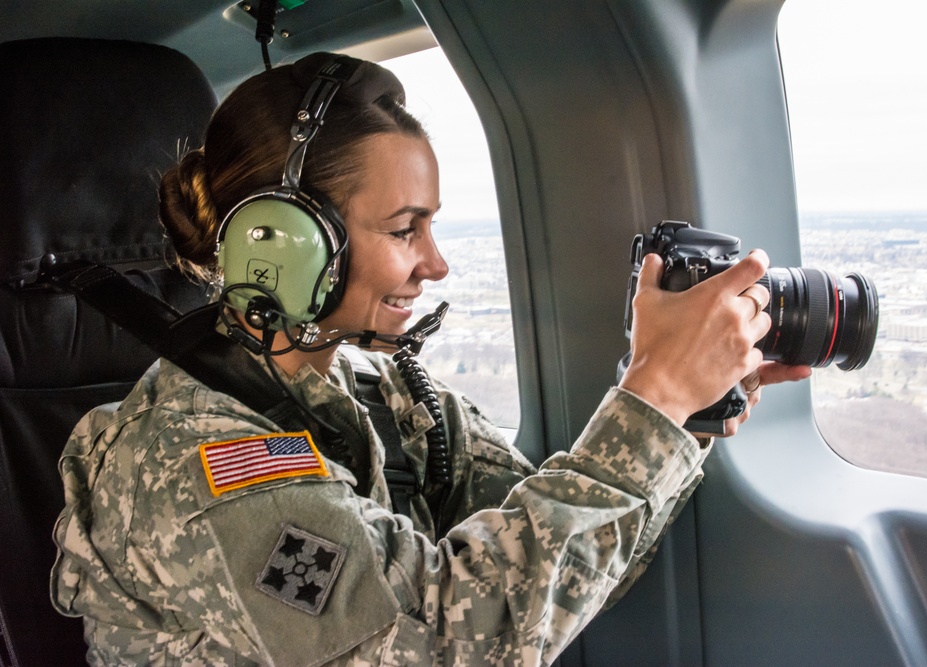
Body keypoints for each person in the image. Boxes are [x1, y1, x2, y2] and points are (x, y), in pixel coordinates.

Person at [51, 53, 810, 665]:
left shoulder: (378, 393)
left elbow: (552, 573)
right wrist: (658, 396)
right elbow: (443, 646)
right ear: (282, 246)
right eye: (404, 230)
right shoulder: (200, 461)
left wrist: (692, 410)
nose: (437, 264)